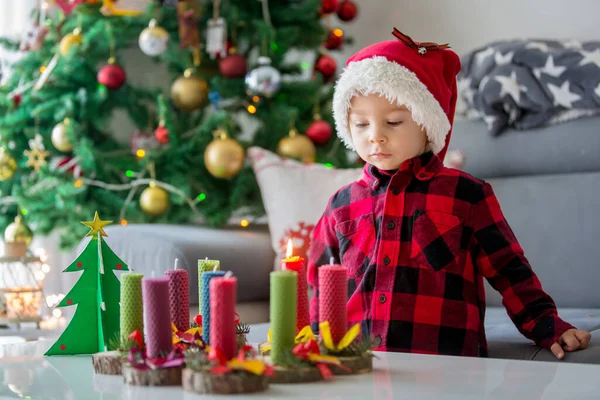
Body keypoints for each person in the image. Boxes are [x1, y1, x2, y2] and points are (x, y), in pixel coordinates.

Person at [307, 29, 592, 358]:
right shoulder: (340, 205)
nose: (376, 137)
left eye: (394, 122)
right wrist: (314, 341)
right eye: (361, 125)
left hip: (448, 364)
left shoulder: (467, 195)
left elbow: (509, 269)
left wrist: (546, 325)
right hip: (356, 364)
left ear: (428, 124)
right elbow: (318, 282)